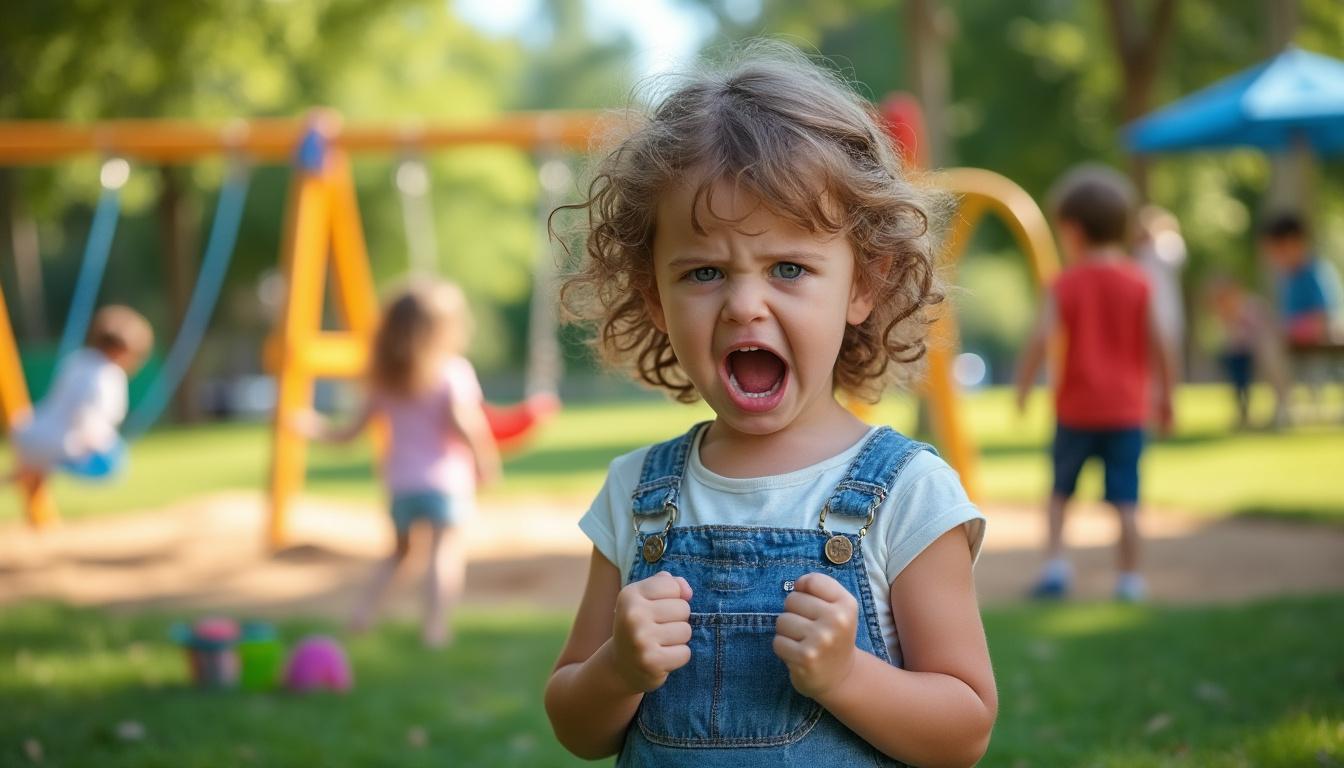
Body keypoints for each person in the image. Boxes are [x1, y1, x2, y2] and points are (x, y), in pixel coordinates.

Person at [544, 43, 996, 767]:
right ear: (654, 296)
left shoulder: (908, 494)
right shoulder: (637, 495)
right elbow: (576, 727)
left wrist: (847, 677)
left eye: (788, 267)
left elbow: (964, 731)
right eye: (704, 273)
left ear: (863, 284)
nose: (744, 305)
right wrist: (618, 670)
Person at [290, 281, 500, 647]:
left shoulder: (383, 381)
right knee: (443, 551)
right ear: (444, 330)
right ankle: (435, 628)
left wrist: (314, 427)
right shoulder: (451, 371)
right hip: (445, 482)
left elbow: (348, 435)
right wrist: (486, 459)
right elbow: (464, 421)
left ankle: (363, 615)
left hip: (401, 485)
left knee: (399, 554)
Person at [1014, 165, 1176, 603]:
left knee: (1059, 494)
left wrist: (1024, 387)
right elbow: (1161, 344)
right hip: (1126, 411)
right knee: (1126, 500)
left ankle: (1054, 567)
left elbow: (1041, 338)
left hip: (1076, 410)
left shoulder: (1065, 283)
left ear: (1072, 230)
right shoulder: (1139, 283)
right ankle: (1130, 578)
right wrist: (1167, 398)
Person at [9, 305, 153, 492]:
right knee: (115, 461)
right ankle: (45, 465)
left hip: (28, 430)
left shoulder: (78, 359)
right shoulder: (108, 375)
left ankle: (32, 468)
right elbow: (88, 421)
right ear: (123, 351)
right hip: (61, 445)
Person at [1205, 276, 1290, 429]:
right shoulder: (1225, 316)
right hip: (1241, 356)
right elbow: (1230, 342)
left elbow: (1264, 333)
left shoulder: (1251, 308)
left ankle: (1279, 410)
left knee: (1263, 368)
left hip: (1261, 351)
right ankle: (1243, 411)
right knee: (1238, 372)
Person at [1260, 212, 1343, 346]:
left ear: (1294, 243)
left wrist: (1287, 330)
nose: (1274, 259)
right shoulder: (1289, 280)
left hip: (1325, 353)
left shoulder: (1317, 273)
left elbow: (1323, 323)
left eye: (1278, 251)